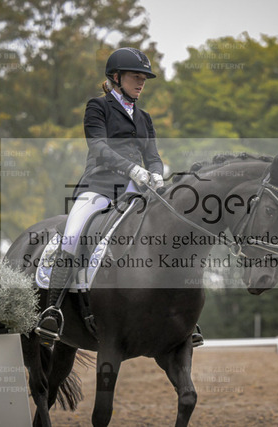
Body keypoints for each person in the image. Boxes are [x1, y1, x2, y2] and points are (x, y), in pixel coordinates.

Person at [36, 47, 164, 340]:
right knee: (72, 236)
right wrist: (132, 169)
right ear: (116, 77)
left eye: (144, 78)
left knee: (164, 233)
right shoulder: (98, 107)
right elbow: (98, 147)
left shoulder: (144, 117)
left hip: (136, 192)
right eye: (136, 76)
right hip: (99, 187)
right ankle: (53, 311)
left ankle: (175, 315)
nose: (142, 82)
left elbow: (153, 156)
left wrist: (156, 173)